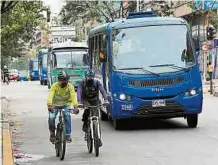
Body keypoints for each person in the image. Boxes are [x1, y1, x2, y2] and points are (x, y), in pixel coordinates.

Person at [77, 69, 109, 143]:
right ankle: (85, 124)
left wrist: (106, 100)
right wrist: (79, 101)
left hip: (95, 100)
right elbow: (79, 91)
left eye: (91, 77)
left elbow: (102, 91)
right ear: (85, 77)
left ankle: (98, 138)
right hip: (85, 100)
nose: (90, 78)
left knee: (96, 117)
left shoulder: (96, 82)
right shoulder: (82, 83)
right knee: (87, 112)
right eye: (88, 77)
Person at [47, 70, 79, 143]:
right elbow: (50, 95)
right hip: (55, 105)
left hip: (65, 104)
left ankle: (68, 134)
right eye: (62, 80)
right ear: (58, 80)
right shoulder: (54, 86)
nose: (64, 82)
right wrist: (49, 105)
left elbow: (73, 95)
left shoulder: (70, 86)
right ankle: (52, 134)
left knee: (67, 116)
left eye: (66, 80)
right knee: (51, 118)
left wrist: (75, 106)